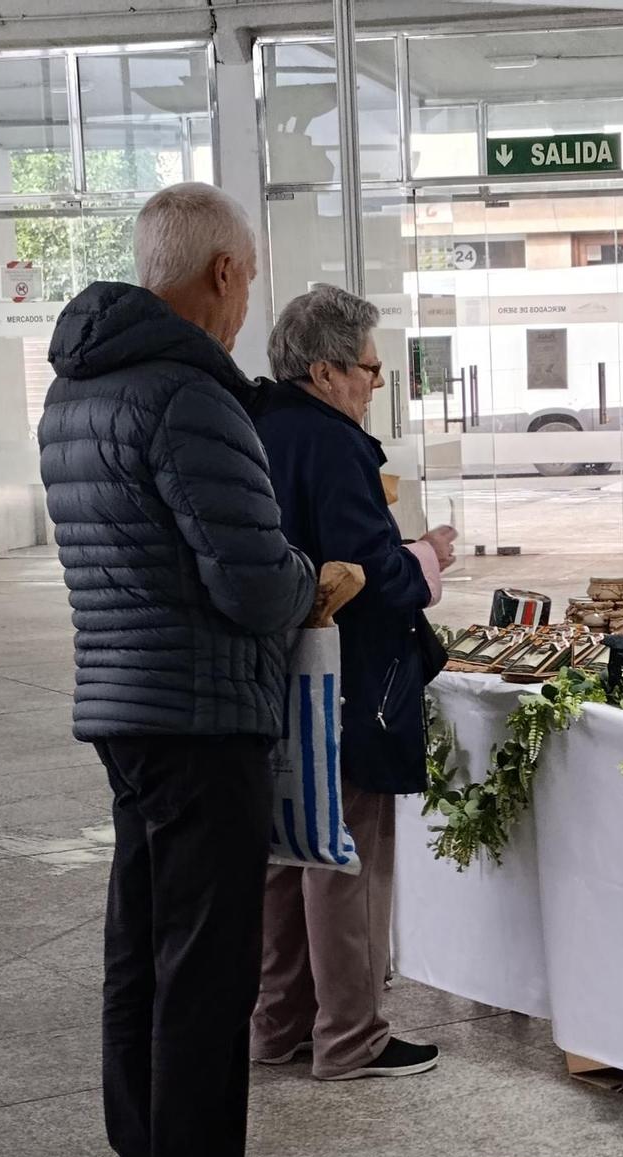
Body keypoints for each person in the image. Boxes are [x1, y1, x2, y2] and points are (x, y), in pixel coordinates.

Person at [40, 183, 327, 1157]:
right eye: (247, 280)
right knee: (207, 968)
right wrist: (318, 575)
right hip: (201, 714)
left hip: (121, 704)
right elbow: (254, 584)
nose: (246, 302)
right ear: (219, 273)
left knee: (142, 952)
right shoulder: (188, 397)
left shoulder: (77, 392)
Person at [249, 286, 457, 1081]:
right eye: (370, 369)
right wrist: (429, 555)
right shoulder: (333, 443)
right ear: (327, 368)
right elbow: (366, 571)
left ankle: (280, 1027)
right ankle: (351, 1037)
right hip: (347, 675)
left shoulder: (259, 426)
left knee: (287, 851)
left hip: (279, 671)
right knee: (347, 856)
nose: (375, 384)